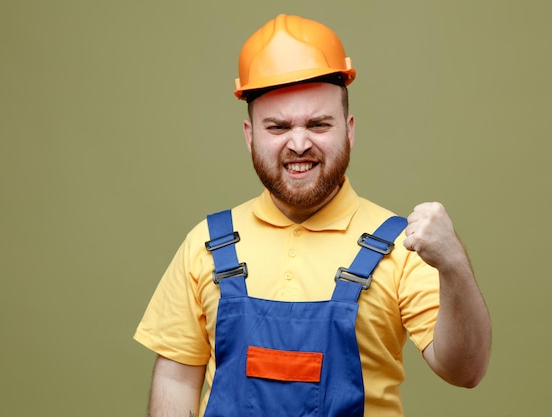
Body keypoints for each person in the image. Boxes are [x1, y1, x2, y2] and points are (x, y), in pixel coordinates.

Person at [134, 14, 491, 417]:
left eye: (319, 124)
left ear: (349, 130)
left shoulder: (401, 247)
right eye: (278, 127)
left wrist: (454, 265)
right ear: (250, 136)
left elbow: (465, 370)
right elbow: (177, 378)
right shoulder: (206, 243)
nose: (299, 143)